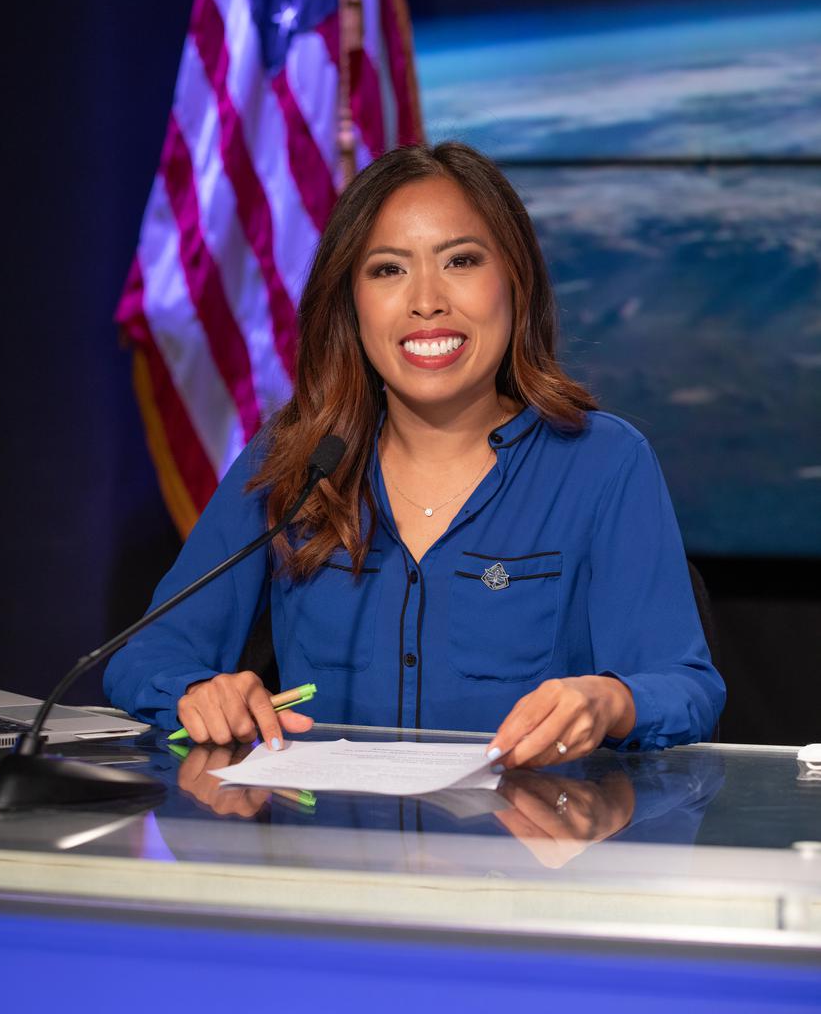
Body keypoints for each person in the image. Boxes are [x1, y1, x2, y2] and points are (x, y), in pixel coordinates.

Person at [105, 142, 725, 768]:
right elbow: (144, 657)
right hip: (327, 851)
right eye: (388, 270)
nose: (426, 300)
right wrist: (198, 692)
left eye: (460, 261)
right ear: (351, 301)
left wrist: (612, 700)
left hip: (529, 854)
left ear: (515, 280)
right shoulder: (293, 458)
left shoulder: (603, 462)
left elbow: (686, 686)